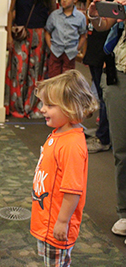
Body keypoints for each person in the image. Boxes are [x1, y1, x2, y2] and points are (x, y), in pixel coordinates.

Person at [31, 69, 98, 266]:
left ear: (71, 108)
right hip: (46, 218)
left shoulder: (72, 145)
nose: (42, 109)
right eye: (43, 103)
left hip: (56, 223)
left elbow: (72, 190)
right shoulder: (59, 133)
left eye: (50, 105)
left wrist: (62, 221)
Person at [87, 0, 126, 243]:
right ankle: (124, 212)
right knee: (122, 149)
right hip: (119, 75)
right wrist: (94, 17)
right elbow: (104, 25)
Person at [4, 0, 56, 119]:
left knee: (36, 72)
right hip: (21, 33)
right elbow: (10, 11)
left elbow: (53, 13)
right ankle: (16, 105)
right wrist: (9, 36)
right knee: (18, 70)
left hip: (40, 34)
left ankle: (32, 105)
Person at [82, 25, 112, 153]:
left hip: (104, 53)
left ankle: (103, 138)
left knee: (105, 98)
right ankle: (102, 131)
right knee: (101, 96)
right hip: (94, 51)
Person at [45, 0, 87, 78]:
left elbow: (83, 35)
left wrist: (77, 49)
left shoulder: (80, 17)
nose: (63, 1)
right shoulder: (54, 15)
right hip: (56, 51)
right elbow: (47, 32)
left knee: (67, 80)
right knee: (53, 78)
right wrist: (51, 47)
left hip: (70, 53)